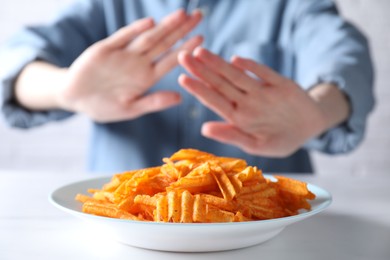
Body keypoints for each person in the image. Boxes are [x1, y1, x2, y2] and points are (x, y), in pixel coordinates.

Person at [0, 0, 374, 174]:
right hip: (119, 236)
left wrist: (318, 111)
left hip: (265, 238)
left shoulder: (291, 5)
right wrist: (66, 89)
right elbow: (13, 62)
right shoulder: (106, 5)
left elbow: (344, 55)